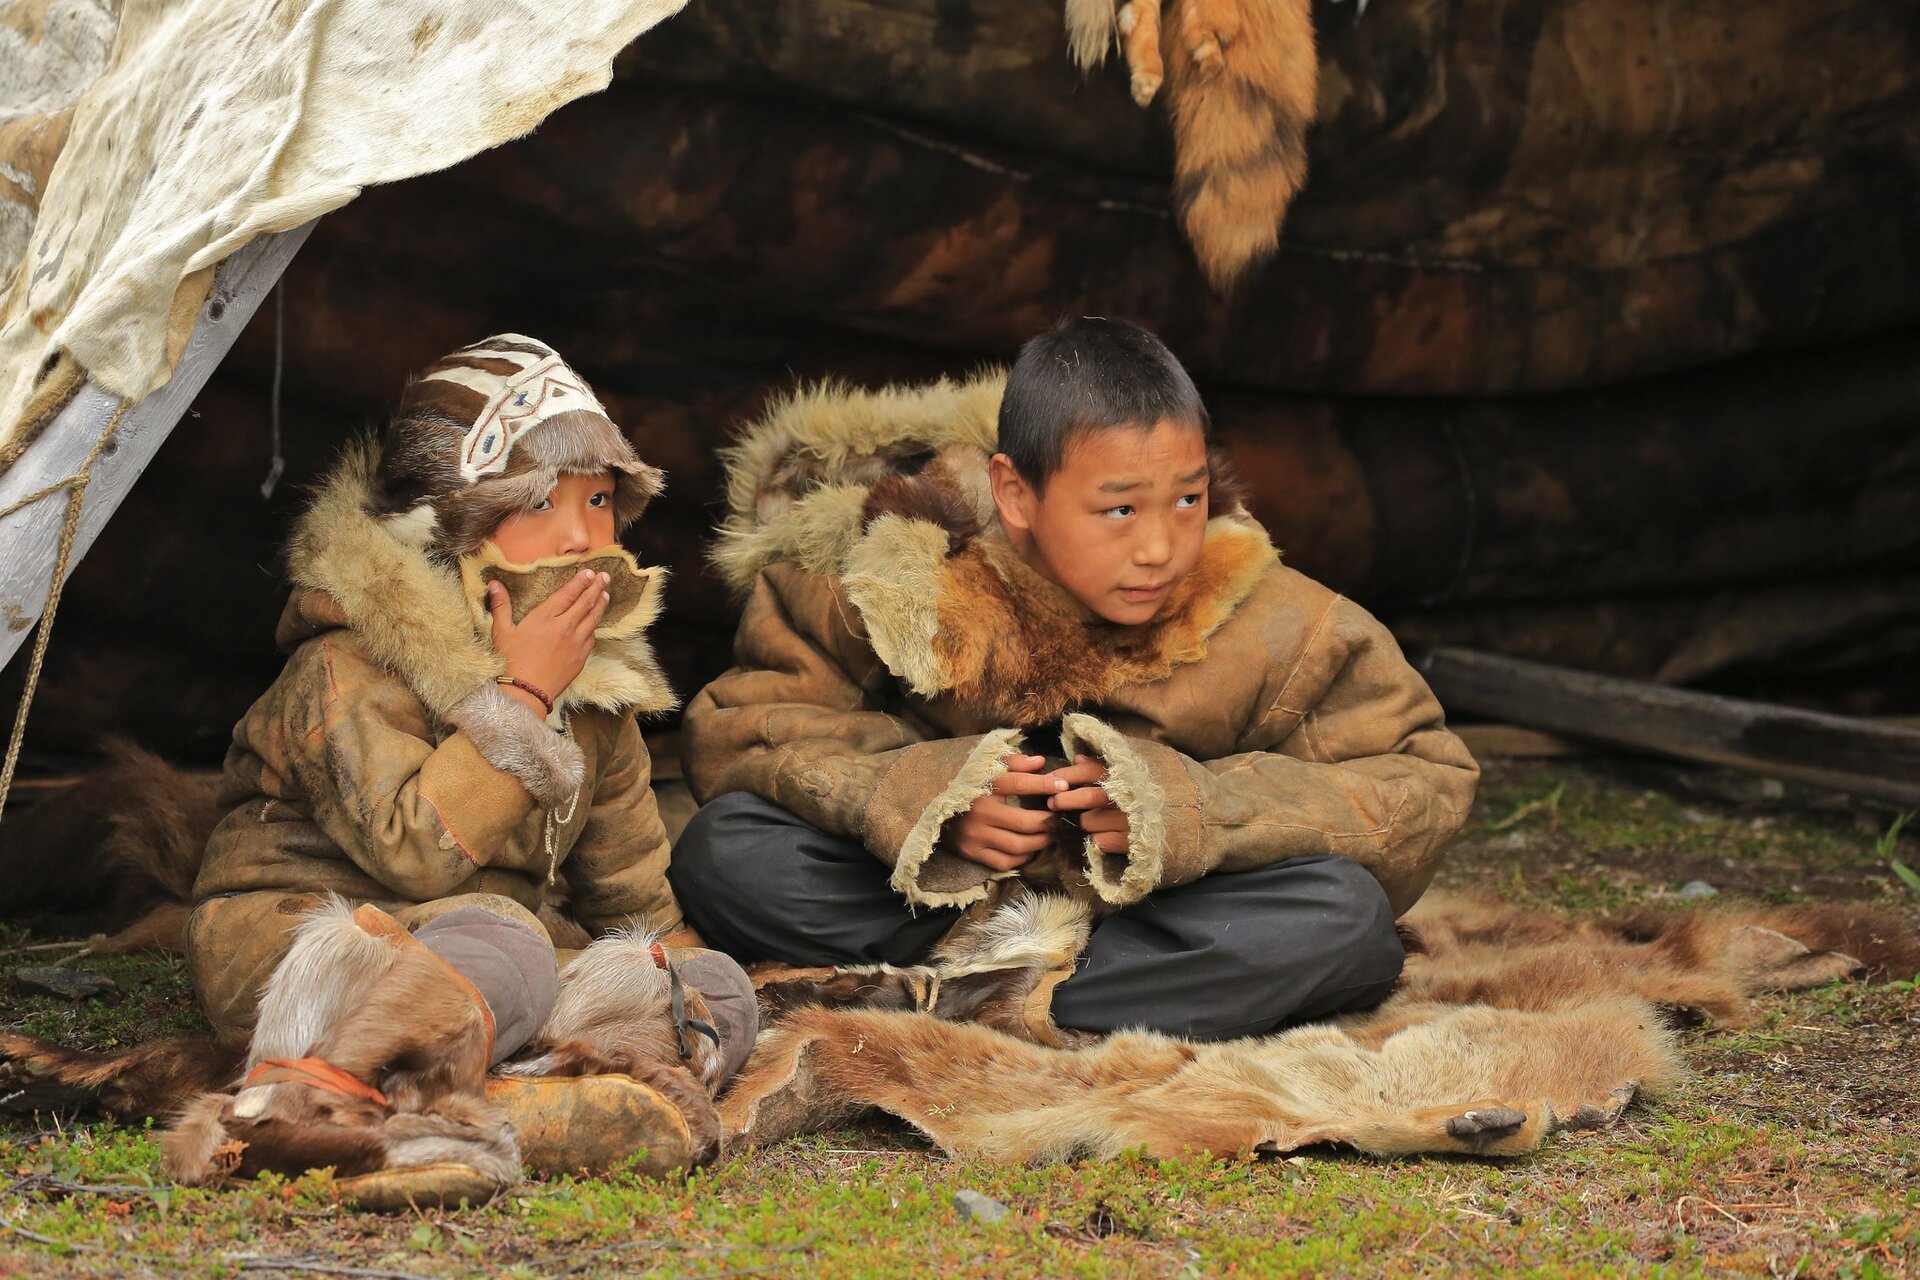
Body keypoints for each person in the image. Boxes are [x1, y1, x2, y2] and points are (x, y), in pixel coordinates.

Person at [672, 316, 1479, 1041]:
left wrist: (1193, 813)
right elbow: (745, 728)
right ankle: (1044, 992)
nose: (1162, 546)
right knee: (725, 850)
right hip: (931, 908)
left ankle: (987, 1002)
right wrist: (929, 801)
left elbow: (1420, 782)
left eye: (1189, 499)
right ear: (1015, 493)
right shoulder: (887, 580)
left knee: (1345, 921)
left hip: (1161, 922)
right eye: (1121, 510)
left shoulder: (1283, 621)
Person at [182, 335, 754, 1176]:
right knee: (511, 942)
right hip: (305, 947)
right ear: (444, 531)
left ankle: (538, 1096)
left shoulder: (596, 696)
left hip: (490, 965)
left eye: (599, 502)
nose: (578, 536)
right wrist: (522, 699)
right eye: (536, 505)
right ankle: (315, 1099)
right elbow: (413, 853)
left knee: (716, 988)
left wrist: (679, 972)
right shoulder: (347, 665)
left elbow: (635, 899)